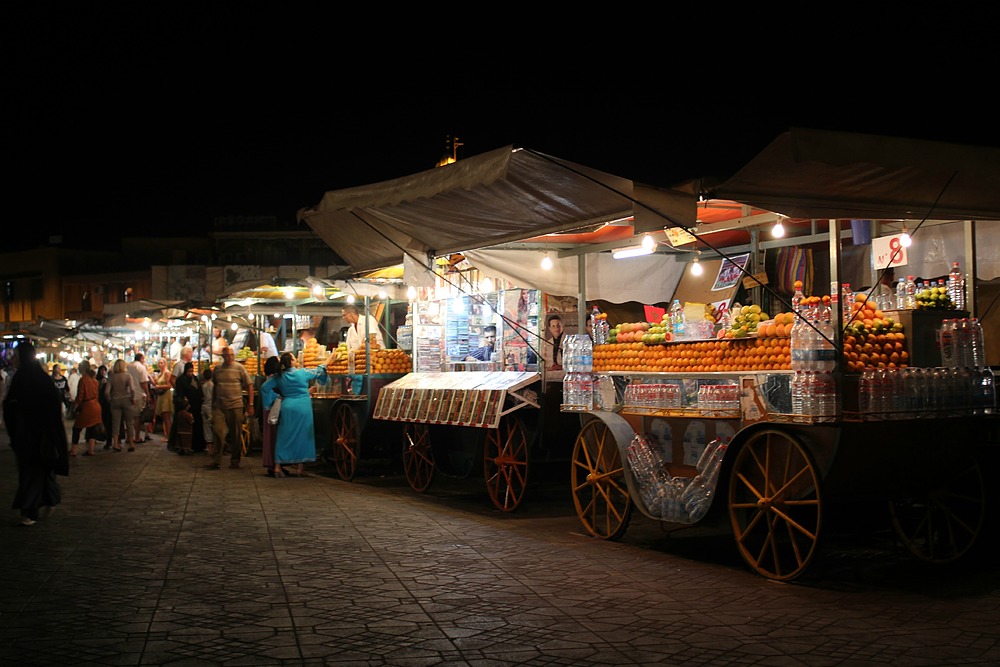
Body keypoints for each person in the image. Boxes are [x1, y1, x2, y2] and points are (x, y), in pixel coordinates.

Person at [3, 341, 69, 526]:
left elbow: (11, 407)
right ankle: (47, 500)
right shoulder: (41, 378)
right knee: (42, 470)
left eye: (16, 356)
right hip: (42, 434)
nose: (13, 360)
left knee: (31, 471)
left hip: (29, 435)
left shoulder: (22, 379)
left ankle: (30, 510)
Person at [262, 351, 329, 478]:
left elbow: (264, 388)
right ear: (292, 361)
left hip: (287, 407)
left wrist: (271, 402)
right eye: (294, 358)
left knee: (283, 436)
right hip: (303, 408)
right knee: (303, 437)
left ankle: (277, 468)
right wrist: (328, 361)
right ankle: (300, 469)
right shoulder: (302, 373)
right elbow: (319, 372)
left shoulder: (279, 376)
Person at [207, 346, 254, 470]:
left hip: (235, 405)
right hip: (219, 406)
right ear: (223, 356)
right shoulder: (217, 369)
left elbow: (249, 385)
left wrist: (250, 404)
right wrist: (213, 403)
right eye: (227, 355)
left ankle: (235, 460)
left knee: (236, 433)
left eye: (231, 355)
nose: (229, 357)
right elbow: (215, 388)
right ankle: (216, 459)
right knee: (218, 431)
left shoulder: (240, 368)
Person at [105, 358, 140, 452]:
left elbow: (107, 392)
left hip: (115, 400)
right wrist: (132, 398)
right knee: (129, 423)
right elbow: (132, 389)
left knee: (115, 423)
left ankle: (115, 444)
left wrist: (109, 399)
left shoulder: (111, 377)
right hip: (126, 399)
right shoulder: (128, 376)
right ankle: (131, 444)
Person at [70, 359, 102, 457]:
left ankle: (74, 450)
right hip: (95, 405)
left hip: (86, 406)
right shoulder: (94, 380)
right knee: (92, 429)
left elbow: (80, 396)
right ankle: (91, 450)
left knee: (76, 428)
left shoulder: (83, 380)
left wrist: (75, 407)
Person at [258, 356, 283, 477]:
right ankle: (273, 465)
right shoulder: (274, 381)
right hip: (272, 411)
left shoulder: (268, 379)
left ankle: (272, 465)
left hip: (267, 411)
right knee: (273, 438)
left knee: (270, 438)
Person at [173, 361, 204, 455]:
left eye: (192, 371)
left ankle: (197, 445)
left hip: (196, 407)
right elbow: (180, 394)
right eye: (189, 371)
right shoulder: (181, 380)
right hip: (187, 408)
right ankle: (184, 446)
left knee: (196, 426)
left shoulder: (194, 379)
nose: (190, 373)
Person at [167, 345, 193, 451]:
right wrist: (179, 392)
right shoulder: (179, 365)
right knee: (179, 420)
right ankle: (175, 443)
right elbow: (172, 379)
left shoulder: (187, 365)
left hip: (185, 396)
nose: (191, 354)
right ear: (185, 354)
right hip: (180, 398)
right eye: (190, 352)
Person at [128, 352, 153, 443]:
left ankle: (129, 437)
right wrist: (148, 394)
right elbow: (143, 383)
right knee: (137, 417)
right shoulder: (141, 368)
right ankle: (137, 437)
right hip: (138, 395)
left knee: (129, 418)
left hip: (129, 395)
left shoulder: (128, 367)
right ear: (141, 359)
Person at [153, 358, 174, 438]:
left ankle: (169, 436)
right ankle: (167, 435)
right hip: (161, 396)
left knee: (167, 417)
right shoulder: (159, 374)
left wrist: (159, 386)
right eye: (159, 363)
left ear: (165, 363)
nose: (160, 364)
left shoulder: (167, 373)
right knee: (164, 417)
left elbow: (169, 385)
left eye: (161, 363)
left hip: (166, 396)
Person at [96, 364, 113, 449]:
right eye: (101, 370)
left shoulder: (106, 380)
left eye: (104, 370)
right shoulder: (96, 380)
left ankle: (108, 439)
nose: (103, 372)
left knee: (107, 421)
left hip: (105, 404)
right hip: (98, 403)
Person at [200, 368, 214, 455]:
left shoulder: (203, 386)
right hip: (211, 408)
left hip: (204, 407)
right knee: (214, 428)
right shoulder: (213, 385)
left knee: (207, 429)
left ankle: (210, 449)